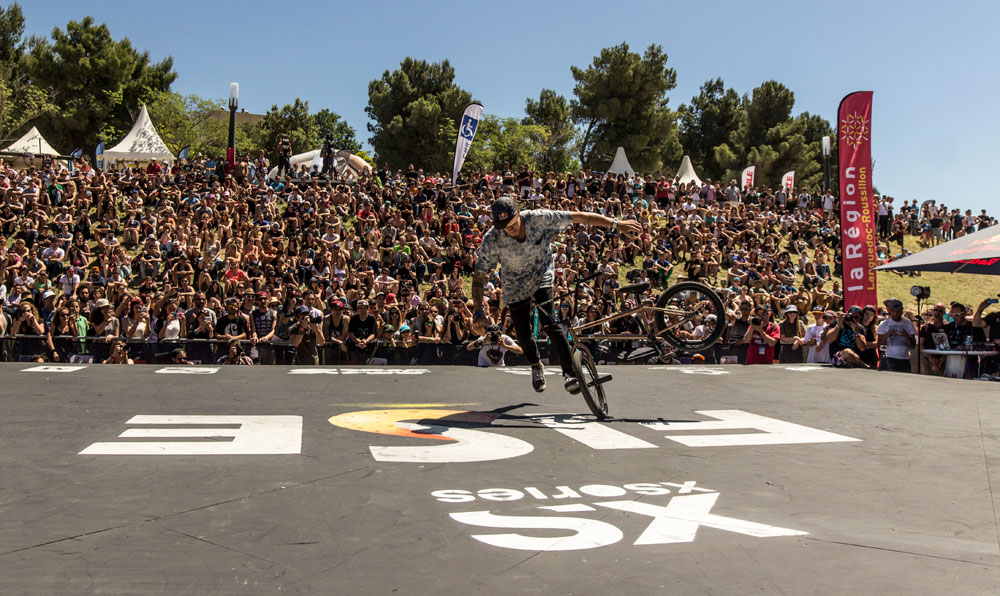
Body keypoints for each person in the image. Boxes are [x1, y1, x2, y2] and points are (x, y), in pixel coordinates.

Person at [472, 196, 641, 392]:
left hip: (542, 273)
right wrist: (477, 311)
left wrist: (616, 224)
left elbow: (581, 217)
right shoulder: (493, 238)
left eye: (511, 224)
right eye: (503, 226)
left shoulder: (539, 218)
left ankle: (569, 372)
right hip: (515, 284)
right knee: (524, 334)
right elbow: (478, 277)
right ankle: (536, 364)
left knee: (550, 323)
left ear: (518, 214)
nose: (509, 229)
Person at [877, 298, 916, 372]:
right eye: (894, 311)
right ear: (890, 311)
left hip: (904, 359)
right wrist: (887, 335)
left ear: (902, 311)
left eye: (898, 311)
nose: (896, 313)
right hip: (889, 358)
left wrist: (907, 336)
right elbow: (879, 345)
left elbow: (912, 346)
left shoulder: (908, 323)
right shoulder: (884, 324)